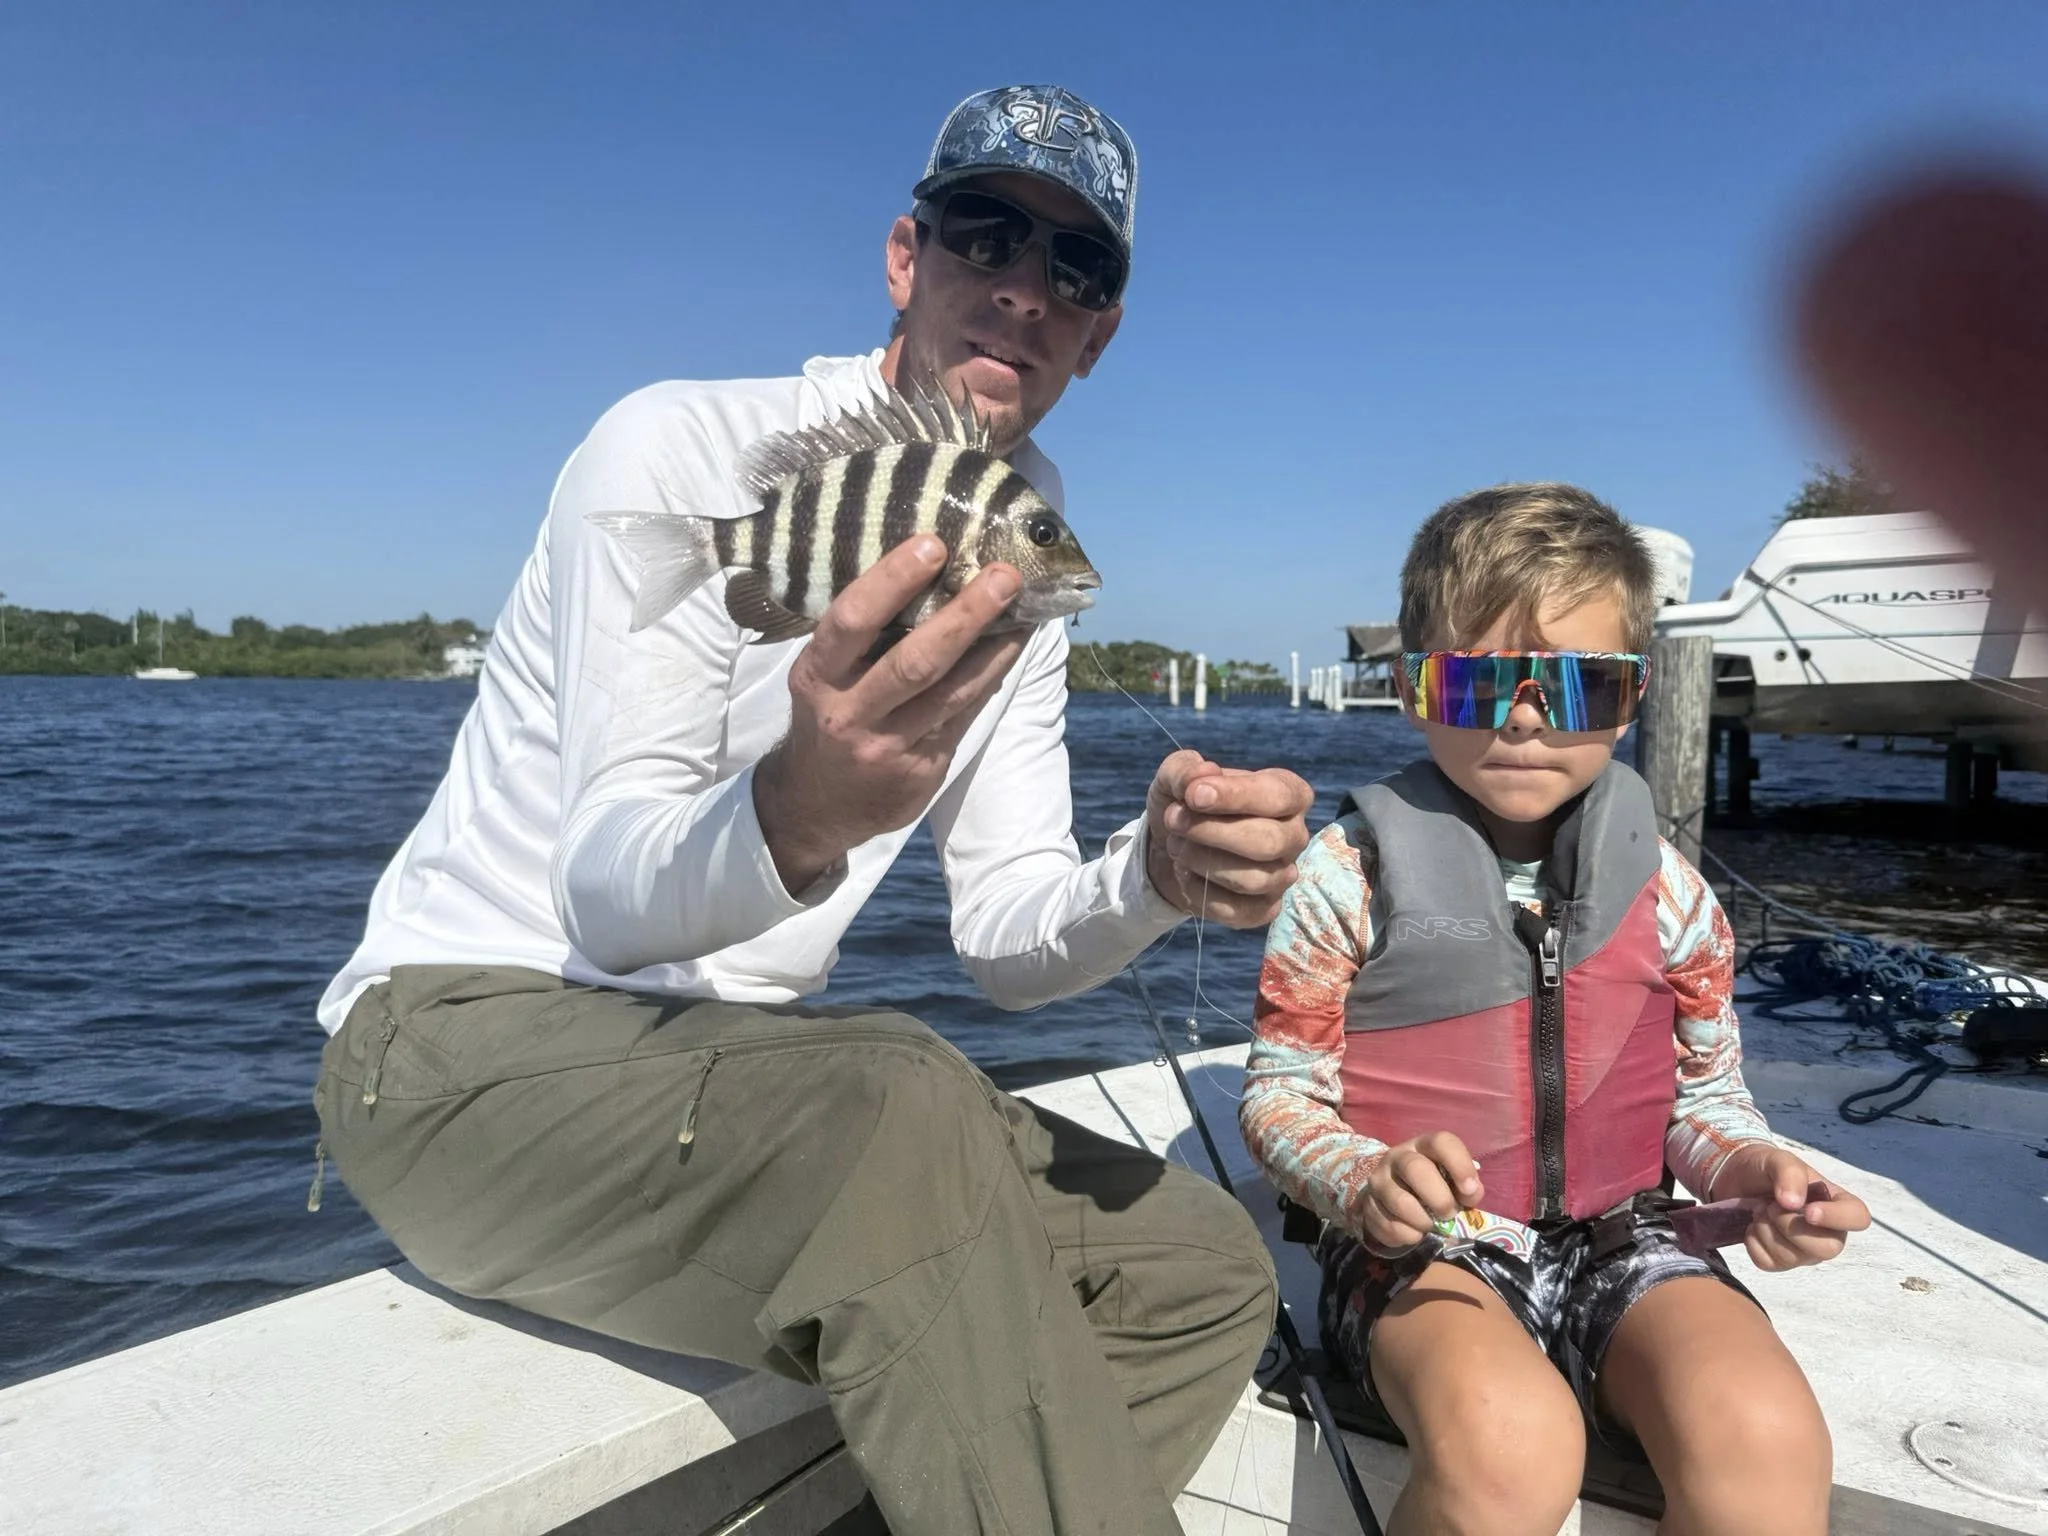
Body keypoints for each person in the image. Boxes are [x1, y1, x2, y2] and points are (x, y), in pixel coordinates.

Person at [311, 83, 1312, 1536]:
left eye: (1075, 270)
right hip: (453, 1045)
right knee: (898, 1095)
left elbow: (1011, 940)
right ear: (908, 258)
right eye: (988, 233)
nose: (1023, 290)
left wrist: (1153, 871)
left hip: (730, 1090)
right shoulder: (675, 448)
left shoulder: (1018, 556)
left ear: (1099, 333)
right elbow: (603, 889)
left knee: (1200, 1266)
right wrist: (800, 805)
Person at [1239, 484, 1873, 1536]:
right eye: (1478, 684)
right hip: (1417, 1250)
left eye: (1578, 688)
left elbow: (1701, 1103)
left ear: (1630, 700)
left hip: (1625, 1233)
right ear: (1410, 689)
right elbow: (1279, 1100)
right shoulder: (1342, 878)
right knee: (1508, 1441)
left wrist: (1758, 1175)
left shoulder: (1672, 896)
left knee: (1765, 1431)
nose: (1526, 716)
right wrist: (1362, 1177)